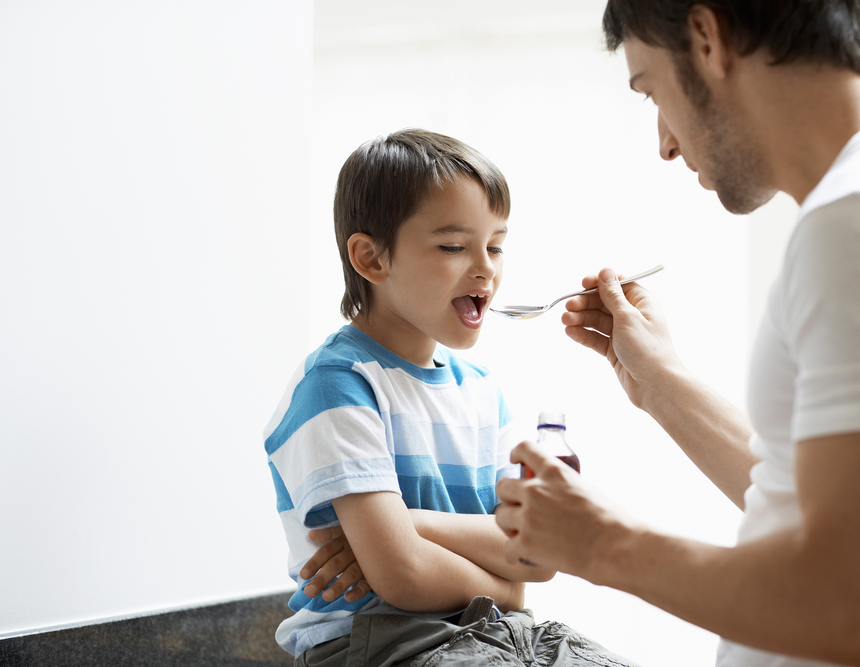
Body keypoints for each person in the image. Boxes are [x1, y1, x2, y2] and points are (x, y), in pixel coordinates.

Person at [494, 2, 860, 666]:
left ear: (708, 37)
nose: (664, 143)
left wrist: (599, 543)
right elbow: (826, 503)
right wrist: (661, 383)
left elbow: (859, 607)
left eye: (651, 90)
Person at [263, 129, 639, 667]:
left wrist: (406, 524)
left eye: (496, 246)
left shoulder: (481, 389)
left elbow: (539, 556)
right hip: (380, 644)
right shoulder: (336, 384)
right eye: (454, 247)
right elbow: (405, 576)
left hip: (495, 632)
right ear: (371, 258)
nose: (486, 267)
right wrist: (503, 588)